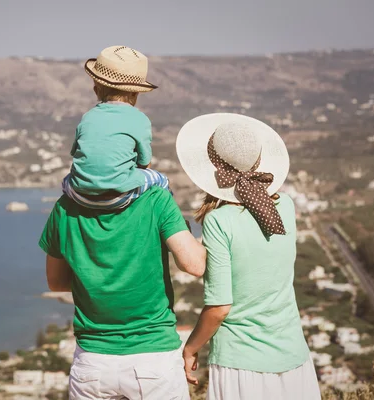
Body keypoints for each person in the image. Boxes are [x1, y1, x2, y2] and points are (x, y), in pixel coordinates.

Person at [176, 113, 321, 400]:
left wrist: (190, 348)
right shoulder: (287, 207)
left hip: (241, 365)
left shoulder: (220, 222)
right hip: (294, 358)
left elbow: (219, 307)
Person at [39, 185, 206, 399]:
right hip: (153, 356)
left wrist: (99, 280)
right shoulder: (156, 198)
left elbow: (56, 283)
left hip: (93, 360)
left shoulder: (65, 206)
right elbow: (195, 266)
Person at [62, 45, 171, 210]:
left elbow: (76, 154)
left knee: (66, 179)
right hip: (119, 197)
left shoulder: (87, 117)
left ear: (96, 90)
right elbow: (145, 164)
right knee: (162, 180)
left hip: (79, 195)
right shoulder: (140, 119)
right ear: (136, 93)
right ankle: (170, 220)